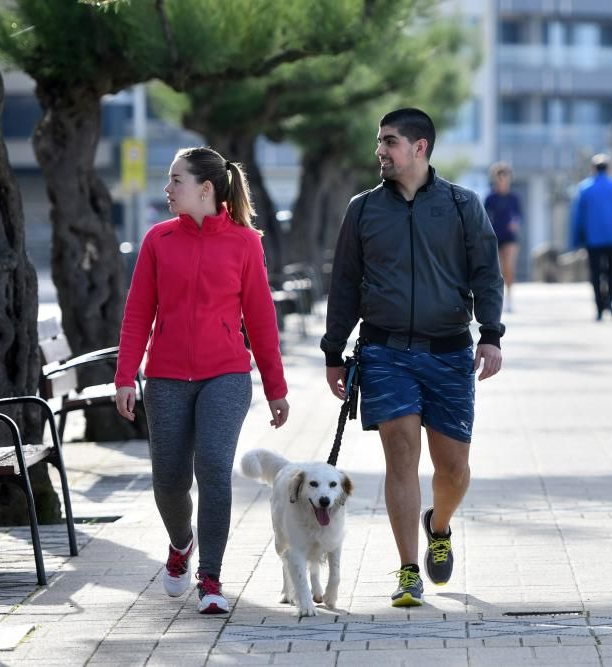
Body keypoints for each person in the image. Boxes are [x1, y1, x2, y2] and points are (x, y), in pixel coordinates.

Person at [321, 108, 505, 608]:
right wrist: (333, 350)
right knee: (400, 456)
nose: (380, 150)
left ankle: (438, 526)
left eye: (390, 141)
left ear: (420, 148)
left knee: (453, 469)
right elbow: (343, 285)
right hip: (384, 352)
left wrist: (490, 334)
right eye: (379, 141)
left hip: (449, 353)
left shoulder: (463, 206)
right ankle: (407, 571)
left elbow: (487, 273)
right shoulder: (362, 210)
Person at [114, 146, 289, 615]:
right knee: (169, 480)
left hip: (227, 374)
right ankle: (181, 542)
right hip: (166, 377)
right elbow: (137, 313)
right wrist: (125, 375)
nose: (167, 189)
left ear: (205, 188)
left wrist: (276, 388)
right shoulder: (158, 240)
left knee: (213, 466)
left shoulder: (245, 242)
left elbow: (261, 317)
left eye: (176, 181)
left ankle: (210, 577)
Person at [569, 153, 612, 321]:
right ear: (609, 168)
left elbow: (578, 217)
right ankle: (610, 299)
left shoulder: (584, 189)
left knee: (595, 273)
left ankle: (599, 306)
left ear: (593, 169)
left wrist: (577, 241)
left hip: (592, 239)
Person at [484, 162, 522, 313]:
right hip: (493, 237)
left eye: (505, 177)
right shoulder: (490, 198)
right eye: (499, 177)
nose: (502, 181)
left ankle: (510, 299)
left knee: (509, 267)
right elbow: (484, 217)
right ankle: (497, 298)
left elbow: (519, 216)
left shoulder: (514, 198)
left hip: (510, 237)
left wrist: (515, 223)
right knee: (495, 269)